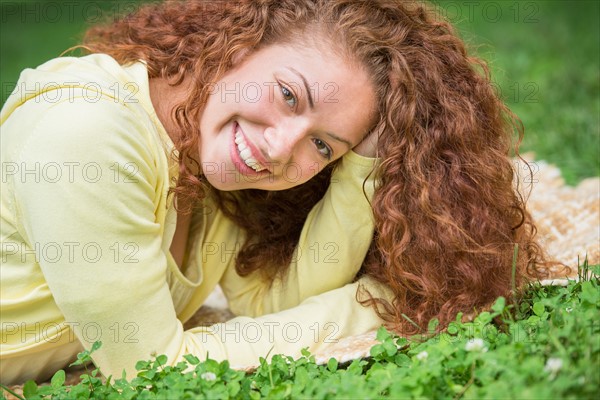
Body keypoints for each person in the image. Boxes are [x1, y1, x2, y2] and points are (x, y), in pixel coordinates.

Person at [0, 0, 549, 385]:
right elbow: (149, 369)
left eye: (322, 146)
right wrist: (373, 312)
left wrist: (363, 165)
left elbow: (268, 304)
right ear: (239, 41)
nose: (281, 150)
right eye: (289, 94)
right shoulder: (88, 134)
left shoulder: (203, 153)